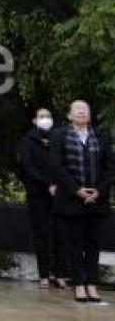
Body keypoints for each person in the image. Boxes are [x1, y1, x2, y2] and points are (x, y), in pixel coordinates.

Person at [50, 101, 115, 303]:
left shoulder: (101, 136)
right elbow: (56, 167)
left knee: (94, 244)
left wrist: (99, 190)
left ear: (90, 115)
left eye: (85, 109)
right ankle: (78, 284)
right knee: (74, 244)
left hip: (96, 199)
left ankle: (92, 284)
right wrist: (76, 190)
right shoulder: (59, 135)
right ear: (69, 115)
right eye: (77, 109)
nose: (81, 111)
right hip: (71, 199)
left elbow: (111, 168)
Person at [19, 107, 66, 289]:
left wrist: (58, 184)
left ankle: (60, 273)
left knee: (60, 234)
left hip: (59, 193)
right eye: (41, 116)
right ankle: (44, 274)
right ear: (34, 120)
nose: (45, 119)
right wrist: (47, 183)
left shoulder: (58, 138)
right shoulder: (27, 140)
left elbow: (62, 164)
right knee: (41, 235)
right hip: (37, 193)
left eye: (48, 116)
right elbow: (28, 167)